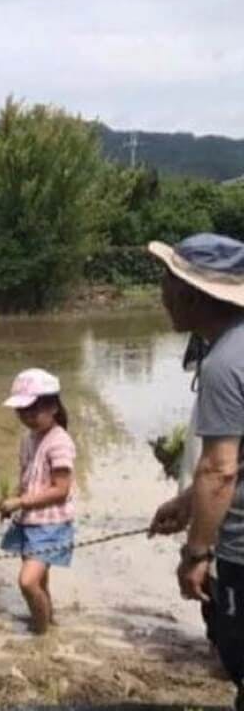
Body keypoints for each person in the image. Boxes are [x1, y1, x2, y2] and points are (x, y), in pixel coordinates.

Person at [147, 233, 244, 710]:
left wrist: (196, 554)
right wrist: (188, 504)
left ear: (190, 292)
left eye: (167, 279)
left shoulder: (225, 361)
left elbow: (220, 469)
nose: (160, 291)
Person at [0, 368, 76, 635]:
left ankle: (41, 635)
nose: (27, 417)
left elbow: (61, 490)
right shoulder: (29, 439)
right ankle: (47, 621)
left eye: (33, 410)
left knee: (27, 582)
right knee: (39, 582)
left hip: (51, 524)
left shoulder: (60, 442)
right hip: (30, 522)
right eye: (22, 411)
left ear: (52, 406)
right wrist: (12, 501)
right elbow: (28, 478)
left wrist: (20, 502)